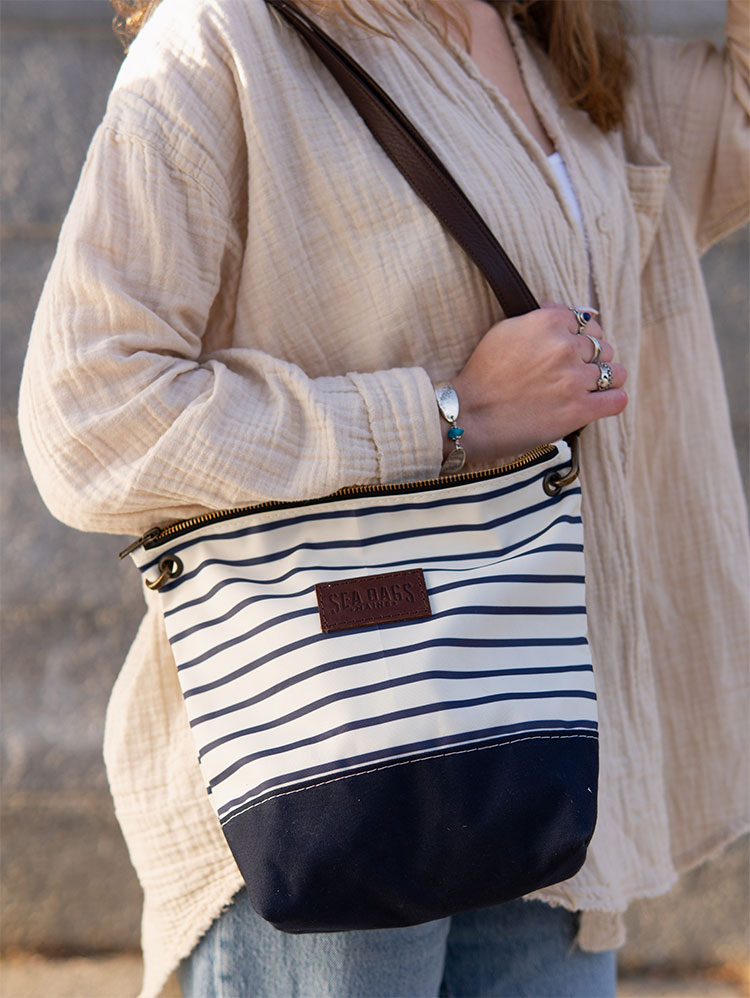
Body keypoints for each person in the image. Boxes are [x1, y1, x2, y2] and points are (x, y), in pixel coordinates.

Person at [18, 0, 749, 995]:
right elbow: (90, 413)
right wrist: (446, 412)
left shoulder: (567, 56)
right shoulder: (225, 44)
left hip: (540, 756)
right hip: (326, 769)